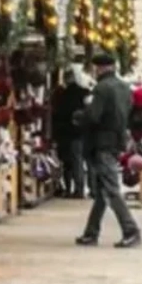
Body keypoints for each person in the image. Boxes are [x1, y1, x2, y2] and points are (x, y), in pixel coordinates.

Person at [75, 52, 142, 248]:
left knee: (111, 189)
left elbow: (94, 116)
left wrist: (80, 115)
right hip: (117, 142)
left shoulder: (102, 89)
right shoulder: (124, 88)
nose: (94, 72)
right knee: (103, 190)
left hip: (101, 142)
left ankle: (131, 230)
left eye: (95, 69)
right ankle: (91, 232)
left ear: (100, 68)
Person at [53, 69, 90, 198]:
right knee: (77, 161)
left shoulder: (62, 94)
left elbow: (57, 114)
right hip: (80, 133)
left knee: (67, 162)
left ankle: (69, 188)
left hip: (65, 133)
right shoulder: (84, 93)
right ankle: (79, 189)